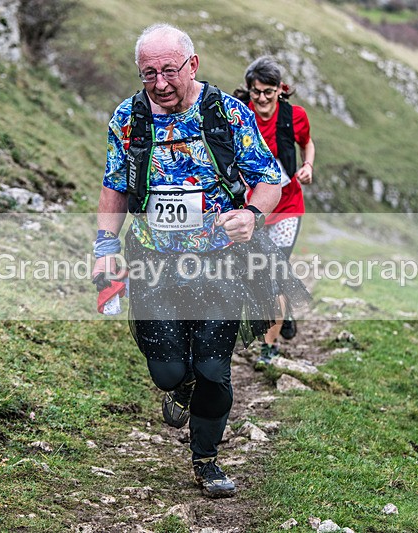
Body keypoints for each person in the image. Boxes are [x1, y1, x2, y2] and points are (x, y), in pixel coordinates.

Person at [93, 24, 308, 498]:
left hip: (222, 260)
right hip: (154, 260)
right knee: (168, 370)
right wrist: (105, 245)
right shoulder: (128, 118)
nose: (161, 82)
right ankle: (179, 388)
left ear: (193, 65)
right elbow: (114, 184)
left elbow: (269, 179)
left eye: (169, 70)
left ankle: (207, 460)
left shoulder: (228, 114)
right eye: (149, 73)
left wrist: (252, 214)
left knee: (214, 368)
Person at [234, 56, 316, 365]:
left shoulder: (295, 116)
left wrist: (308, 165)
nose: (263, 99)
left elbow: (307, 143)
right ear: (249, 90)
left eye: (269, 92)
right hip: (253, 210)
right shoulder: (240, 116)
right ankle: (286, 306)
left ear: (280, 90)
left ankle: (269, 348)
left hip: (289, 207)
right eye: (257, 92)